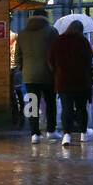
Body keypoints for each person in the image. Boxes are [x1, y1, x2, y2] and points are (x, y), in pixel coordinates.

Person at [16, 8, 58, 143]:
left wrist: (23, 69)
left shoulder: (22, 34)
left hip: (29, 75)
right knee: (51, 103)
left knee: (33, 104)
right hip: (48, 74)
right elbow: (57, 53)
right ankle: (51, 131)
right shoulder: (51, 31)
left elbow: (18, 56)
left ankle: (35, 134)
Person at [48, 19, 93, 145]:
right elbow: (89, 60)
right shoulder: (83, 41)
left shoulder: (58, 41)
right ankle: (83, 133)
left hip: (63, 81)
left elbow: (50, 61)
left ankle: (66, 135)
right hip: (81, 81)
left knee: (66, 108)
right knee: (81, 108)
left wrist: (57, 72)